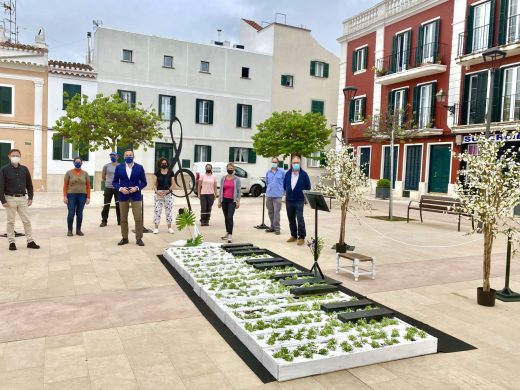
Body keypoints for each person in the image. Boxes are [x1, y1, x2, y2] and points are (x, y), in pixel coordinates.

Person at [0, 149, 40, 251]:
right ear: (9, 156)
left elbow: (29, 185)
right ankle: (11, 242)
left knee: (26, 221)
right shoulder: (4, 170)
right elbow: (1, 186)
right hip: (9, 199)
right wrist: (3, 200)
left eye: (17, 155)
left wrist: (30, 197)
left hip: (22, 198)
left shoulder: (24, 169)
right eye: (13, 155)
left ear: (20, 156)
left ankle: (30, 241)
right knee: (10, 222)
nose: (15, 157)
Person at [112, 149, 147, 246]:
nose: (128, 157)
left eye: (130, 155)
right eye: (126, 155)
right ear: (123, 157)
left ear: (133, 156)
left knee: (138, 218)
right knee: (123, 219)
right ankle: (124, 238)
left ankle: (139, 238)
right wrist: (120, 189)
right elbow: (114, 182)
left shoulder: (139, 167)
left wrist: (136, 188)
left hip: (135, 196)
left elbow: (144, 182)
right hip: (123, 196)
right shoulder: (119, 167)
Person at [283, 154, 311, 245]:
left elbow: (308, 186)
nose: (296, 164)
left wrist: (305, 198)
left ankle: (301, 237)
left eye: (297, 163)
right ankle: (294, 235)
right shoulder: (287, 174)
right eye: (294, 162)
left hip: (299, 200)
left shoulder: (304, 174)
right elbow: (284, 185)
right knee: (291, 218)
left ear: (300, 163)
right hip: (289, 200)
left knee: (299, 218)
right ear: (291, 163)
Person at [63, 157, 91, 236]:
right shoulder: (69, 173)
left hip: (82, 195)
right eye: (76, 162)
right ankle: (69, 230)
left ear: (82, 163)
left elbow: (88, 186)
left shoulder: (85, 173)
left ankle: (78, 230)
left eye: (79, 162)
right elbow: (65, 186)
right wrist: (65, 196)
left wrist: (88, 197)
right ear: (74, 162)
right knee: (71, 213)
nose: (78, 163)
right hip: (71, 195)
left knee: (79, 213)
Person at [218, 162, 241, 243]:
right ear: (227, 169)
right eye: (229, 168)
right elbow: (221, 190)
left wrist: (238, 202)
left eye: (231, 168)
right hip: (224, 200)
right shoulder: (223, 178)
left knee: (230, 217)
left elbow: (238, 191)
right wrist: (219, 201)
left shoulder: (237, 179)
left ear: (234, 169)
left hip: (232, 201)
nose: (230, 170)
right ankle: (227, 232)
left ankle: (230, 235)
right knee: (226, 217)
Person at [153, 158, 175, 234]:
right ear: (160, 164)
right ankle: (156, 228)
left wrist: (168, 191)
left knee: (168, 211)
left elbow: (173, 184)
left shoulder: (171, 172)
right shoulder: (157, 173)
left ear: (167, 164)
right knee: (157, 211)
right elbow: (154, 184)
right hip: (158, 194)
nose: (164, 164)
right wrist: (157, 192)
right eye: (162, 163)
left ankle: (169, 228)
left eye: (165, 163)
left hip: (168, 194)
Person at [265, 157, 285, 235]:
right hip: (269, 195)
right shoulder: (268, 172)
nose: (274, 163)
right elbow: (267, 183)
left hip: (278, 195)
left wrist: (283, 192)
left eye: (275, 162)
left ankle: (277, 228)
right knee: (270, 212)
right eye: (273, 162)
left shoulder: (282, 172)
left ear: (278, 163)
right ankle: (272, 227)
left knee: (277, 212)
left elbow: (285, 182)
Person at [100, 151, 121, 227]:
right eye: (111, 156)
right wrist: (109, 182)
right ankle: (104, 221)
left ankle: (120, 221)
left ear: (117, 157)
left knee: (119, 205)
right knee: (106, 205)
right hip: (108, 188)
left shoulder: (120, 166)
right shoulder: (106, 166)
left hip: (118, 188)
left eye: (114, 156)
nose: (112, 157)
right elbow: (103, 177)